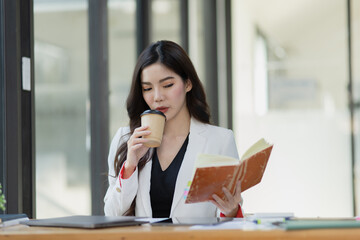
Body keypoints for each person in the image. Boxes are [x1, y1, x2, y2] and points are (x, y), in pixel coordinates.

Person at [104, 40, 244, 218]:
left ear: (188, 83)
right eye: (147, 88)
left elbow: (229, 221)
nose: (157, 97)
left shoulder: (220, 140)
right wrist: (130, 166)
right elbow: (111, 214)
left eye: (168, 85)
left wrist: (231, 210)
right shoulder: (125, 139)